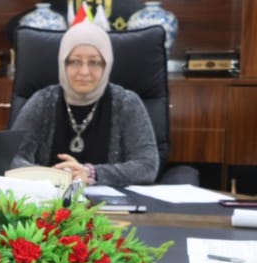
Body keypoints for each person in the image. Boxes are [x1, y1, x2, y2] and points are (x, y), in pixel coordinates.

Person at [9, 19, 159, 186]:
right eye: (75, 61)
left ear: (106, 65)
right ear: (63, 63)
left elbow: (147, 166)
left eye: (94, 62)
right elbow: (12, 157)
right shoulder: (42, 101)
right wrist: (54, 177)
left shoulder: (126, 103)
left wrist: (90, 173)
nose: (84, 71)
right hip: (50, 199)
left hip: (109, 201)